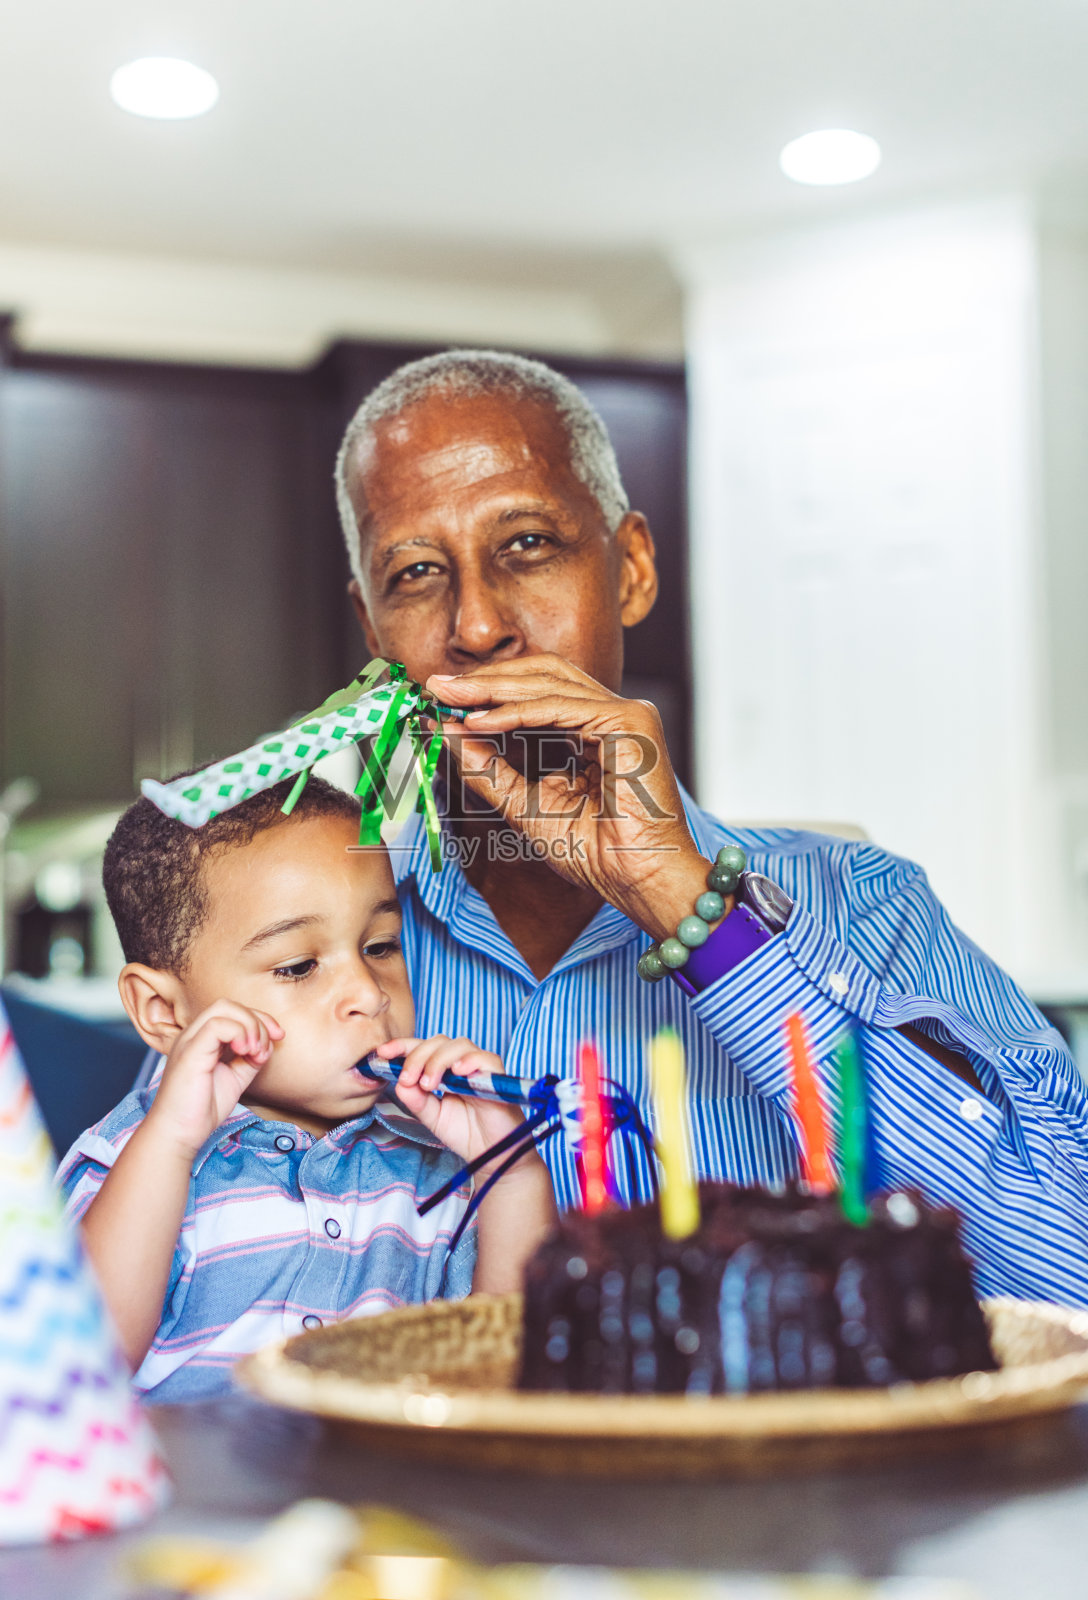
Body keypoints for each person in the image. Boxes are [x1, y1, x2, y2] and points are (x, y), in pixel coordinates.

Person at [333, 347, 1088, 1309]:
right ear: (372, 628)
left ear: (633, 570)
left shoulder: (868, 905)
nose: (477, 626)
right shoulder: (305, 941)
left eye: (526, 545)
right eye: (416, 572)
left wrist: (688, 904)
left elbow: (1069, 1281)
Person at [57, 774, 555, 1401]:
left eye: (380, 947)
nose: (369, 996)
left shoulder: (434, 1171)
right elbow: (77, 1368)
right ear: (164, 1010)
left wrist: (510, 1175)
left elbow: (502, 1369)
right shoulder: (136, 1158)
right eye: (298, 966)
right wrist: (171, 1145)